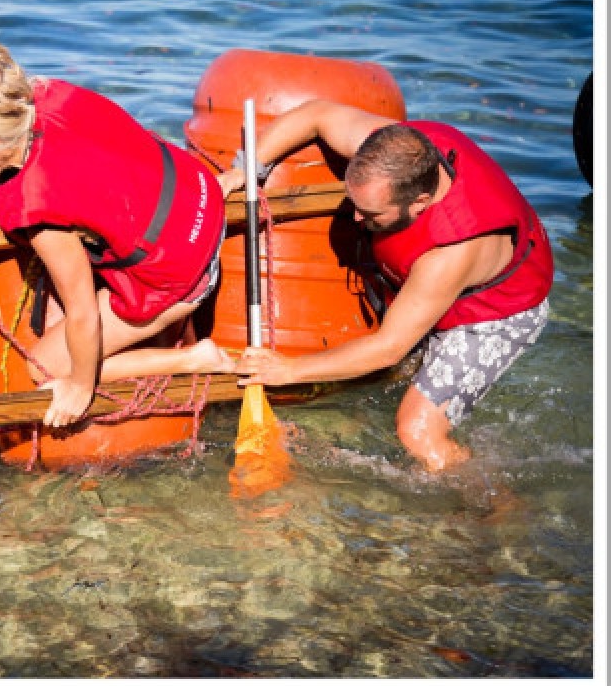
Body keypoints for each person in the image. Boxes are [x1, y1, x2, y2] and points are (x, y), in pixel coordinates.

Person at [222, 99, 554, 472]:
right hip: (426, 281)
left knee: (417, 433)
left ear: (420, 201)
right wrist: (246, 168)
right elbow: (318, 114)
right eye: (355, 203)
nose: (357, 218)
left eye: (372, 213)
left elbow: (388, 348)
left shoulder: (451, 252)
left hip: (496, 311)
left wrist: (289, 370)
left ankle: (497, 509)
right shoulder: (394, 151)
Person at [0, 43, 236, 429]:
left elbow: (83, 313)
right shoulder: (47, 95)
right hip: (201, 196)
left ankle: (195, 358)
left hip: (183, 276)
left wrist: (81, 386)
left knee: (43, 366)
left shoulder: (33, 205)